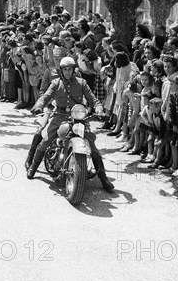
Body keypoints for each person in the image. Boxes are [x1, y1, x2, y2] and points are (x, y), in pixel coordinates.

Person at [26, 56, 115, 192]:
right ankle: (33, 167)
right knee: (45, 140)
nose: (67, 72)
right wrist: (39, 105)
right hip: (59, 116)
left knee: (92, 146)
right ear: (61, 71)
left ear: (74, 70)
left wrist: (99, 109)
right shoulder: (56, 83)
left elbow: (93, 99)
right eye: (65, 69)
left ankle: (103, 179)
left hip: (78, 117)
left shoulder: (81, 82)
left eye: (70, 69)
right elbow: (46, 96)